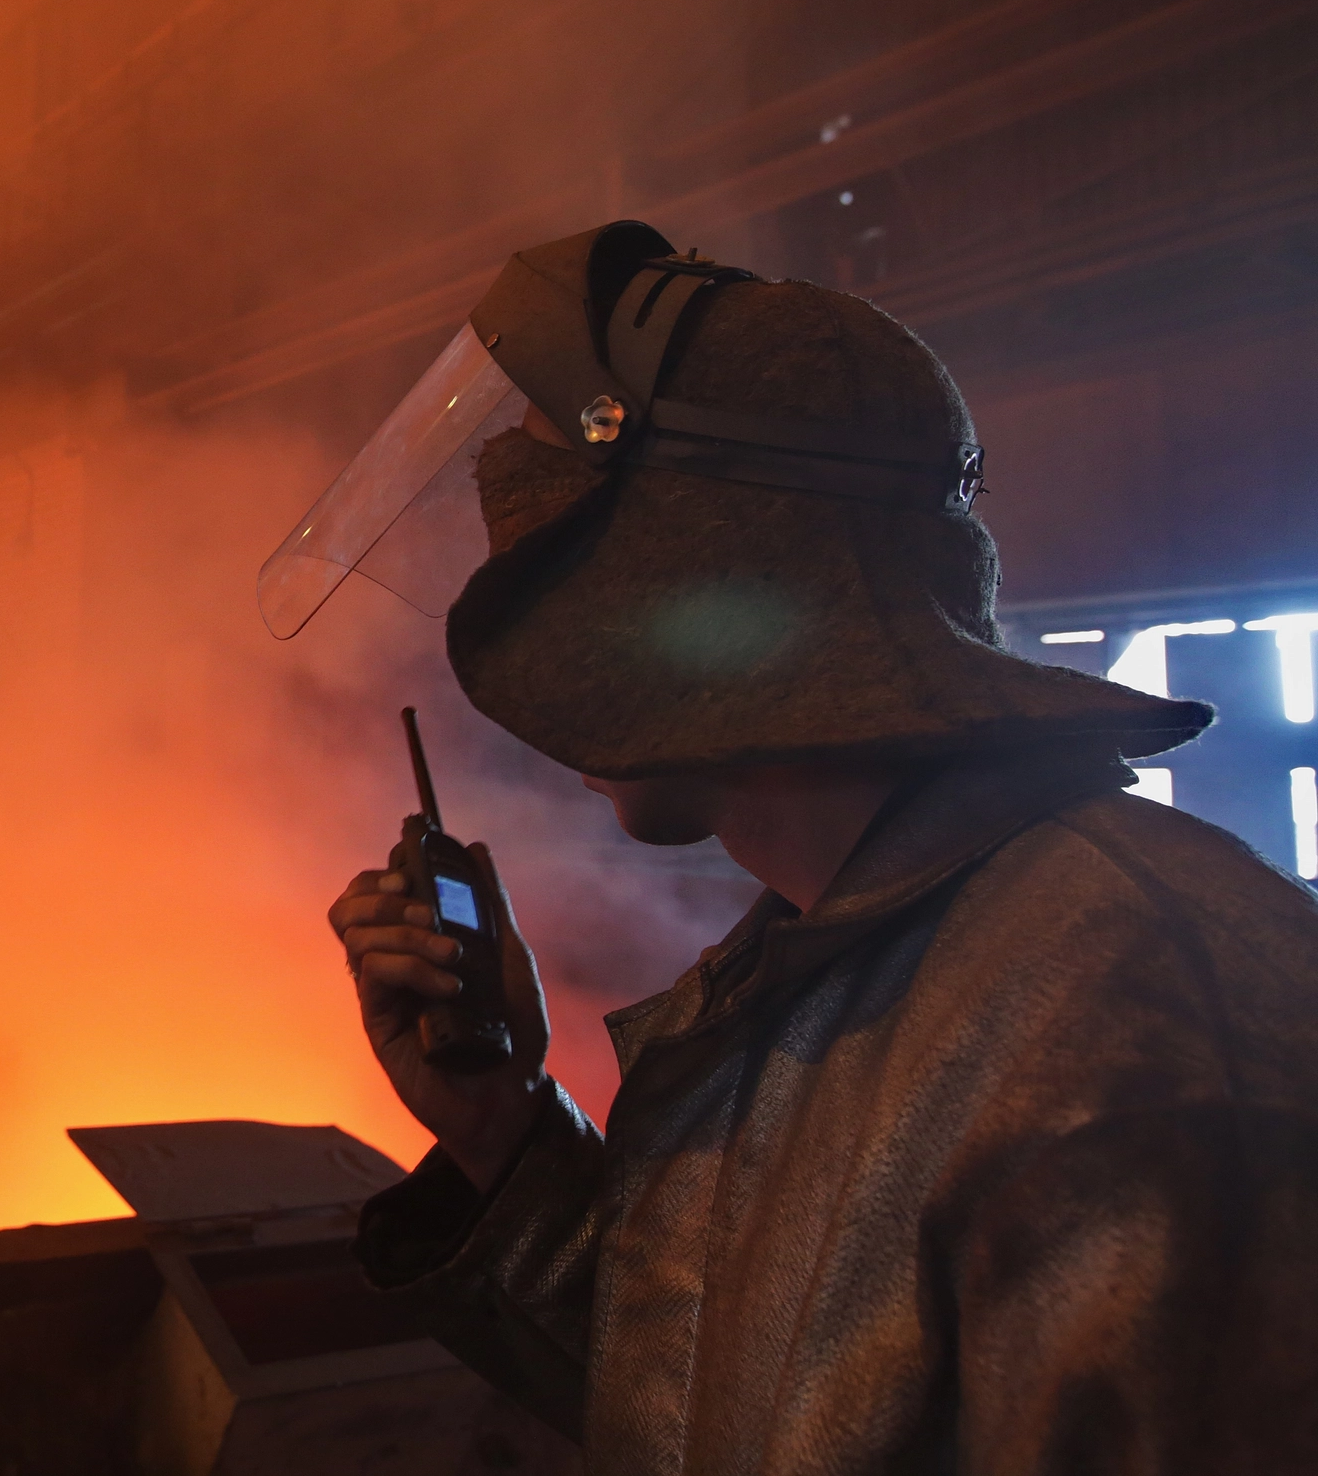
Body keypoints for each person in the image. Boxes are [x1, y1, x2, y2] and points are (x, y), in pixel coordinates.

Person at [300, 225, 1318, 1471]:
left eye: (553, 566)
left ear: (682, 599)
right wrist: (500, 1125)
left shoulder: (1128, 1024)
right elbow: (737, 1418)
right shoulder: (836, 964)